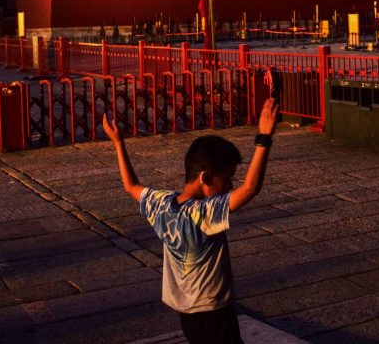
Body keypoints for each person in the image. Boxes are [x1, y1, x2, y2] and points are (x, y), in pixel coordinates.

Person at [101, 98, 280, 344]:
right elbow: (250, 188)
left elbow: (131, 186)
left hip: (184, 310)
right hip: (213, 310)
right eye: (227, 178)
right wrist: (264, 136)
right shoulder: (204, 213)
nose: (230, 185)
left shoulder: (161, 203)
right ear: (205, 177)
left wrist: (118, 143)